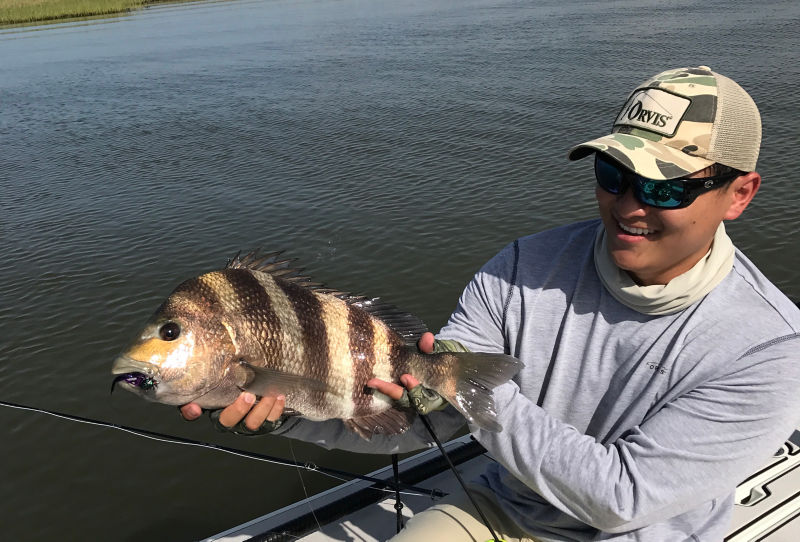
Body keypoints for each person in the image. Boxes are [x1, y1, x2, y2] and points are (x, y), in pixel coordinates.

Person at [181, 66, 800, 541]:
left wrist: (462, 386)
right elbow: (428, 422)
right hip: (509, 506)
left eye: (665, 188)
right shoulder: (522, 267)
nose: (629, 205)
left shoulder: (769, 348)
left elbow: (621, 499)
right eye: (614, 175)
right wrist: (291, 409)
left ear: (740, 194)